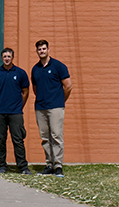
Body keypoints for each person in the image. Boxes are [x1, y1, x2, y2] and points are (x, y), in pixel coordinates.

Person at [0, 47, 32, 175]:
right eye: (5, 56)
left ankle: (22, 167)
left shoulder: (20, 73)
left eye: (9, 56)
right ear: (2, 58)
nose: (7, 58)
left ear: (13, 58)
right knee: (0, 139)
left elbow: (26, 91)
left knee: (18, 139)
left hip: (16, 112)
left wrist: (19, 106)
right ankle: (1, 165)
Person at [31, 39, 72, 177]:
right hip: (40, 107)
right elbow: (35, 89)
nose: (41, 51)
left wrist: (61, 100)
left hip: (55, 107)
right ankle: (49, 164)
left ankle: (58, 166)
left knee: (56, 136)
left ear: (48, 49)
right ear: (37, 51)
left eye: (43, 49)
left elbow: (68, 86)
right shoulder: (35, 69)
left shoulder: (59, 66)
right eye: (39, 49)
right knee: (45, 137)